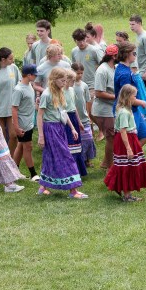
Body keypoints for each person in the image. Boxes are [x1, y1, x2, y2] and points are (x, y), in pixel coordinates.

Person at [36, 68, 88, 198]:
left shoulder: (60, 92)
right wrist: (41, 136)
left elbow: (63, 112)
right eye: (62, 80)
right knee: (66, 156)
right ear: (54, 79)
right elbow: (40, 115)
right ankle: (73, 190)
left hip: (60, 127)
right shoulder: (47, 94)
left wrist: (72, 128)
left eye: (66, 81)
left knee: (49, 157)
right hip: (50, 128)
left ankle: (43, 187)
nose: (64, 83)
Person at [104, 84, 146, 201]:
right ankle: (127, 195)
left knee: (128, 165)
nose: (136, 99)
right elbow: (122, 131)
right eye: (134, 97)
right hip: (126, 140)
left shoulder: (126, 110)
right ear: (127, 97)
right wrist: (128, 148)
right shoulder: (124, 112)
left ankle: (123, 189)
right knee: (127, 166)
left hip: (130, 138)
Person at [112, 42, 146, 146]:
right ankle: (129, 158)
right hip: (127, 111)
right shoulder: (125, 74)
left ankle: (133, 156)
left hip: (134, 110)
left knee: (145, 135)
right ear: (127, 54)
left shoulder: (123, 68)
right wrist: (142, 103)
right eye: (134, 53)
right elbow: (127, 97)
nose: (135, 55)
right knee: (130, 139)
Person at [92, 46, 119, 168]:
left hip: (110, 108)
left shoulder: (114, 67)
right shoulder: (102, 70)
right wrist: (118, 97)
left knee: (112, 137)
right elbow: (98, 93)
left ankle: (105, 163)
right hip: (103, 110)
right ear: (114, 56)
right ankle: (110, 166)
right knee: (111, 138)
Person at [0, 47, 21, 154]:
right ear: (3, 60)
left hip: (11, 108)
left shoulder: (13, 68)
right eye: (10, 59)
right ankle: (1, 158)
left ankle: (10, 158)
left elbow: (19, 84)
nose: (13, 60)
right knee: (1, 137)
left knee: (13, 135)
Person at [11, 64, 39, 181]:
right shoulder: (19, 90)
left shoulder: (29, 86)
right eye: (34, 74)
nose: (36, 77)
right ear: (29, 75)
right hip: (23, 124)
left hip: (29, 122)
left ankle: (14, 171)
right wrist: (16, 127)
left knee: (21, 146)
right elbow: (14, 109)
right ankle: (33, 174)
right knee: (28, 147)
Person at [63, 70, 89, 180]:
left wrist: (79, 122)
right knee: (69, 144)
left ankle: (78, 169)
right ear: (67, 80)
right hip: (66, 118)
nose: (74, 82)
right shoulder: (61, 92)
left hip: (73, 117)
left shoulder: (72, 90)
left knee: (77, 144)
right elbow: (63, 110)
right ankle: (69, 170)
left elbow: (74, 108)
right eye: (72, 80)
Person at [71, 63, 96, 165]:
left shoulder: (84, 85)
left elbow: (87, 101)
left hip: (84, 117)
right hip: (74, 117)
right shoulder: (69, 86)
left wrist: (89, 115)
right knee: (77, 141)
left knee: (88, 139)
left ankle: (87, 159)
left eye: (81, 73)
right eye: (77, 73)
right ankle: (79, 161)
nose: (80, 75)